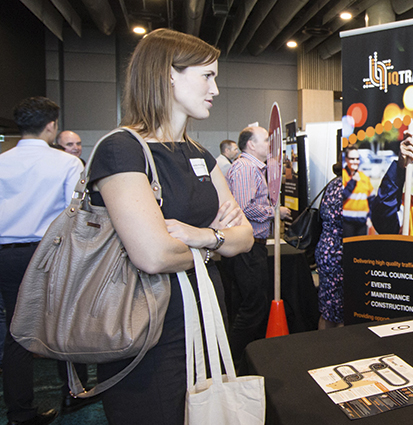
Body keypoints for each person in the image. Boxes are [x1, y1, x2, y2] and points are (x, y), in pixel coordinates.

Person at [87, 29, 253, 424]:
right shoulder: (122, 149)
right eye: (207, 76)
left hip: (206, 309)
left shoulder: (199, 153)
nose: (215, 88)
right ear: (167, 76)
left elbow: (245, 236)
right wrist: (218, 241)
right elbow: (154, 254)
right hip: (146, 324)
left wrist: (200, 236)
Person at [0, 96, 82, 425]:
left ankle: (20, 412)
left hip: (6, 255)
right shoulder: (66, 164)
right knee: (62, 323)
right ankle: (73, 392)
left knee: (16, 333)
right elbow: (72, 217)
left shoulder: (1, 161)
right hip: (49, 253)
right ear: (51, 126)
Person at [224, 125, 291, 364]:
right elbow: (244, 207)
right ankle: (236, 360)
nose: (270, 145)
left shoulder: (252, 168)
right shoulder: (245, 168)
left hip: (251, 246)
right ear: (250, 144)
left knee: (248, 304)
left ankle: (240, 358)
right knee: (253, 306)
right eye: (265, 140)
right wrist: (275, 211)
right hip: (247, 246)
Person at [316, 163, 345, 329]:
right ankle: (336, 352)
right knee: (340, 312)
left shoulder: (333, 183)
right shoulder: (346, 186)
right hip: (338, 252)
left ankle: (322, 350)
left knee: (328, 309)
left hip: (327, 248)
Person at [341, 146, 373, 237]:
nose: (355, 161)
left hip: (362, 222)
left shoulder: (364, 177)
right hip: (346, 222)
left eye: (357, 159)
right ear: (346, 160)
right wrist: (352, 182)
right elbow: (342, 196)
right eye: (352, 159)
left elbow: (371, 200)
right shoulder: (343, 176)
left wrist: (370, 217)